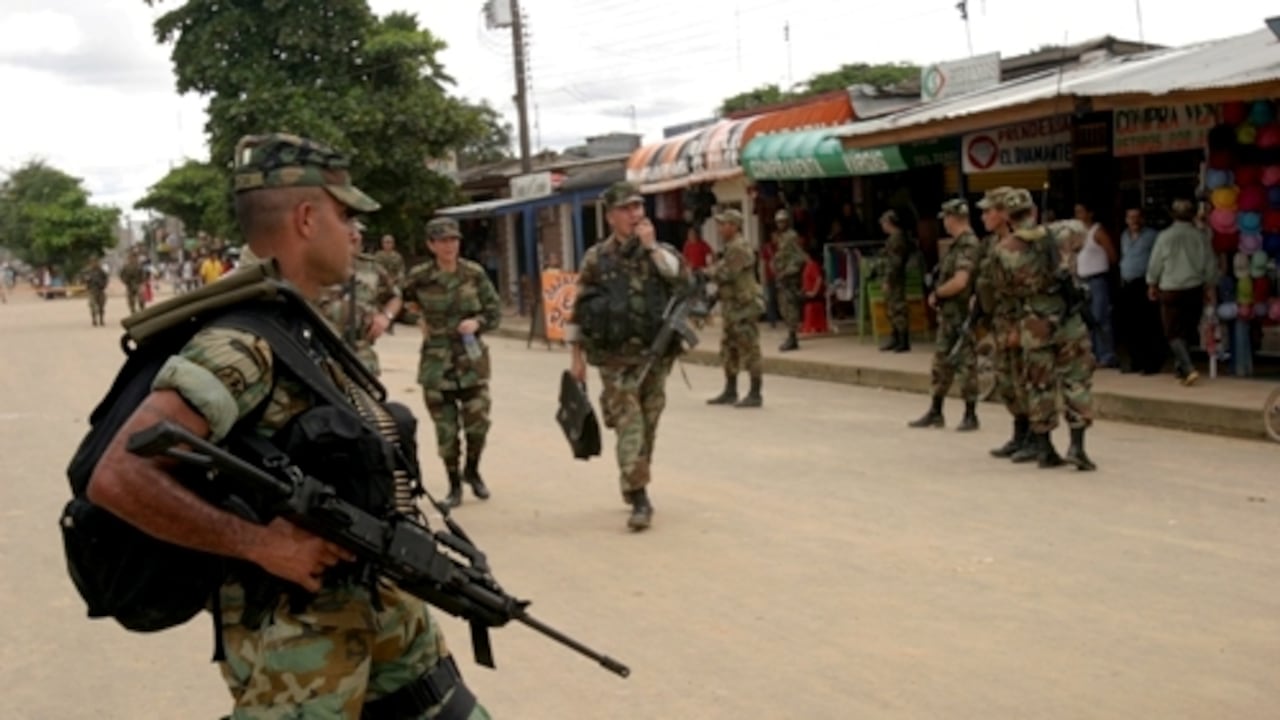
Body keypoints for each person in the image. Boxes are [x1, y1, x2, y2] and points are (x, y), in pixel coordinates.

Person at [85, 133, 491, 719]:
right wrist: (261, 543)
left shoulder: (302, 323)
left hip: (380, 621)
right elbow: (119, 475)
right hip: (301, 657)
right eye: (344, 213)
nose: (354, 231)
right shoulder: (242, 343)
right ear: (306, 218)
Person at [566, 181, 690, 531]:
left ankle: (635, 480)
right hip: (614, 359)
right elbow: (579, 308)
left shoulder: (660, 252)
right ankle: (639, 496)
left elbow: (683, 282)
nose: (635, 214)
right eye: (627, 209)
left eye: (639, 207)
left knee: (648, 424)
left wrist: (651, 248)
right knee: (630, 423)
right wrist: (575, 359)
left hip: (655, 356)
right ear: (610, 217)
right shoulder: (597, 258)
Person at [401, 217, 503, 508]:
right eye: (443, 241)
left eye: (454, 240)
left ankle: (472, 470)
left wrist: (477, 322)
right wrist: (416, 318)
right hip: (436, 364)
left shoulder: (474, 273)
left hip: (471, 363)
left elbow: (494, 311)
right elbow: (399, 302)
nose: (450, 246)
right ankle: (454, 484)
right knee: (446, 432)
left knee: (478, 425)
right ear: (431, 245)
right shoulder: (420, 276)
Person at [993, 190, 1097, 469]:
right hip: (1067, 320)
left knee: (1039, 384)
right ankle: (1077, 446)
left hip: (1033, 323)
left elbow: (1004, 291)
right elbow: (1082, 232)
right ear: (1034, 211)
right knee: (1076, 380)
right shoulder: (1064, 233)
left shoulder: (1003, 249)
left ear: (1007, 217)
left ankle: (1045, 449)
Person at [909, 199, 983, 431]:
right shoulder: (958, 244)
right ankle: (936, 411)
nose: (944, 223)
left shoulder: (968, 245)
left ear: (954, 218)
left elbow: (961, 282)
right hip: (950, 315)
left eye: (946, 218)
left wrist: (938, 293)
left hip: (961, 315)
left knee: (965, 364)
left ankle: (970, 414)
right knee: (941, 362)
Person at [975, 187, 1031, 458]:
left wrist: (1019, 326)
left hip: (1019, 322)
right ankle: (1019, 433)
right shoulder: (990, 244)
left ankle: (1034, 436)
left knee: (1024, 380)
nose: (984, 216)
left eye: (988, 211)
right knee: (1006, 381)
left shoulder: (1022, 242)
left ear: (1003, 213)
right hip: (998, 320)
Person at [315, 219, 403, 377]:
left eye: (358, 232)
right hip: (321, 351)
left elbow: (395, 297)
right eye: (349, 232)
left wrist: (386, 317)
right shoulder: (316, 266)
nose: (354, 237)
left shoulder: (372, 268)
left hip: (361, 354)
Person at [1147, 199, 1218, 386]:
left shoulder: (1164, 236)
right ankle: (1181, 370)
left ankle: (1187, 367)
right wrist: (1209, 286)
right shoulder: (1200, 236)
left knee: (1172, 332)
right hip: (1194, 288)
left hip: (1171, 288)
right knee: (1186, 328)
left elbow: (1155, 263)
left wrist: (1152, 283)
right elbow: (1209, 263)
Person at [704, 208, 764, 408]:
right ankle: (730, 390)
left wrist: (706, 273)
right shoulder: (730, 247)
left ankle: (755, 393)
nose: (720, 229)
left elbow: (726, 273)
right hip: (732, 308)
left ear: (734, 226)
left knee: (749, 349)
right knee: (729, 349)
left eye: (723, 224)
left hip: (744, 308)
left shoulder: (738, 247)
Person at [1073, 201, 1119, 368]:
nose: (1078, 216)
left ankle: (1106, 355)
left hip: (1097, 279)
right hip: (1081, 280)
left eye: (1081, 212)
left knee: (1100, 318)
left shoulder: (1097, 231)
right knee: (1087, 320)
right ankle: (1091, 355)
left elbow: (1112, 255)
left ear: (1089, 213)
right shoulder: (1077, 233)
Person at [1117, 208, 1162, 374]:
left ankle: (1151, 363)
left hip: (1144, 283)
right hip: (1127, 283)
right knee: (1130, 325)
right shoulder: (1124, 236)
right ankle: (1136, 361)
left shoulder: (1152, 235)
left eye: (1137, 217)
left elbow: (1157, 259)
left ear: (1142, 219)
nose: (1134, 220)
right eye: (1130, 217)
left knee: (1147, 325)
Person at [771, 209, 806, 352]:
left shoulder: (791, 237)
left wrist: (787, 272)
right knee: (784, 307)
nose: (780, 224)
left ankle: (792, 337)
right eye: (778, 222)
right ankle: (791, 335)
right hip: (782, 277)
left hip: (789, 278)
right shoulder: (782, 237)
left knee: (790, 307)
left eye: (783, 221)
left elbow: (798, 257)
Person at [878, 209, 913, 352]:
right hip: (894, 278)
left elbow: (895, 263)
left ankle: (903, 341)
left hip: (895, 279)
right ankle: (895, 337)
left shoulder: (897, 239)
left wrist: (888, 280)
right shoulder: (894, 238)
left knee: (898, 307)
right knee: (891, 308)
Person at [82, 256, 109, 326]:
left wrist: (103, 285)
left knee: (101, 306)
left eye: (95, 261)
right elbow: (82, 279)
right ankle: (94, 319)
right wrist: (86, 279)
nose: (94, 263)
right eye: (92, 262)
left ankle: (101, 319)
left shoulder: (101, 271)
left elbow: (106, 278)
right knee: (92, 305)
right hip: (92, 290)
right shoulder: (87, 271)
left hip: (100, 290)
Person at [120, 250, 147, 315]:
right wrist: (125, 281)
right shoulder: (126, 266)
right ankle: (133, 311)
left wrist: (142, 282)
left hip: (138, 284)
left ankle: (142, 310)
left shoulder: (139, 266)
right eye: (130, 257)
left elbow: (143, 274)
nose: (132, 259)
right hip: (129, 285)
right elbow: (122, 275)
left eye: (134, 257)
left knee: (141, 299)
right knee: (131, 300)